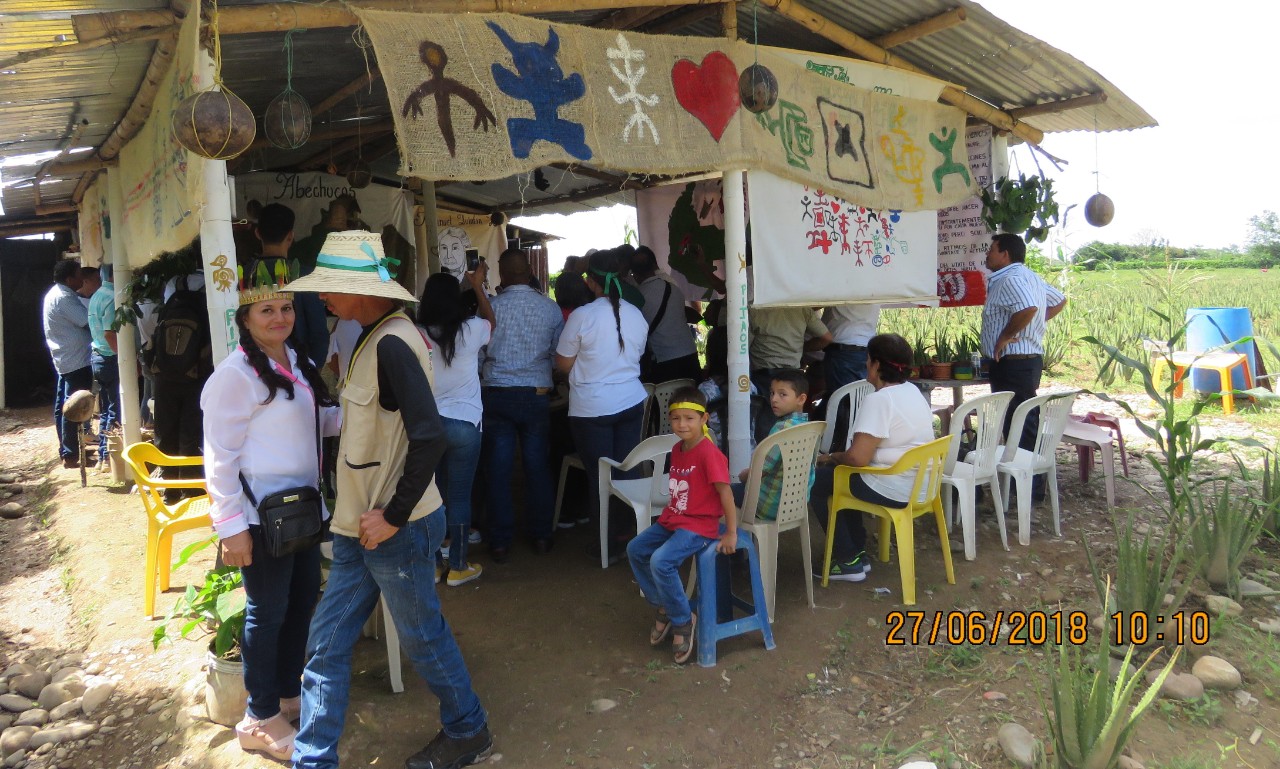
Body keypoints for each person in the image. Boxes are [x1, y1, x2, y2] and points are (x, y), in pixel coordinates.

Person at [285, 230, 491, 769]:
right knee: (326, 646)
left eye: (330, 286)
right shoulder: (372, 335)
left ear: (362, 289)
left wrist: (394, 516)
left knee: (422, 637)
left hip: (394, 526)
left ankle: (468, 729)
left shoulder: (393, 342)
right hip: (361, 525)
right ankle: (314, 757)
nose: (322, 296)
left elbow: (430, 436)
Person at [200, 271, 341, 762]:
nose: (280, 318)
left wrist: (359, 406)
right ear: (245, 319)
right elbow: (218, 458)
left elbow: (318, 421)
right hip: (260, 518)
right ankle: (258, 715)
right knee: (267, 609)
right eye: (267, 310)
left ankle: (286, 693)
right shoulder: (233, 377)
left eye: (286, 309)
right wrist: (231, 527)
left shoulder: (297, 361)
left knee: (303, 598)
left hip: (300, 511)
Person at [810, 333, 934, 581]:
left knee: (815, 481)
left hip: (897, 487)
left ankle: (847, 560)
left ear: (877, 365)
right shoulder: (912, 391)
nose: (865, 364)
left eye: (868, 360)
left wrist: (831, 456)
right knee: (841, 478)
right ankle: (857, 554)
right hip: (922, 485)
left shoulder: (879, 400)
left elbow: (858, 458)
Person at [626, 387, 736, 665]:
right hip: (674, 518)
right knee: (636, 549)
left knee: (661, 561)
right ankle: (665, 604)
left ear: (704, 419)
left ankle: (683, 620)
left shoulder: (709, 454)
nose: (682, 424)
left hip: (700, 525)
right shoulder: (677, 448)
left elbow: (726, 493)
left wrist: (731, 532)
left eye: (689, 418)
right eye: (676, 418)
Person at [555, 247, 649, 563]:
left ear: (591, 281)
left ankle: (606, 543)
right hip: (631, 402)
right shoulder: (635, 314)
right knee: (626, 471)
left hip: (592, 409)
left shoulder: (583, 316)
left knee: (600, 477)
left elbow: (564, 365)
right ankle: (628, 537)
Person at [480, 248, 564, 562]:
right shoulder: (550, 309)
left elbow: (477, 354)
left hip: (497, 394)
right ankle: (541, 536)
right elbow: (558, 355)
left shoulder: (489, 308)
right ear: (529, 272)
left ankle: (500, 542)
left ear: (501, 275)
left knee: (498, 469)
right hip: (537, 394)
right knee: (537, 466)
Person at [418, 265, 495, 586]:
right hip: (465, 423)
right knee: (460, 497)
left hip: (428, 427)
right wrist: (477, 287)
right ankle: (459, 566)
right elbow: (492, 322)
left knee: (432, 497)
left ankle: (435, 565)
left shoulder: (416, 331)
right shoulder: (472, 328)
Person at [981, 234, 1067, 480]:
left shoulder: (1010, 278)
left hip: (1014, 362)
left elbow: (1028, 309)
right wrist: (1032, 323)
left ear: (1005, 254)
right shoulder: (1029, 276)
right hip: (1026, 360)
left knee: (1020, 423)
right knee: (1021, 420)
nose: (988, 254)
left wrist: (1005, 335)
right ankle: (1024, 480)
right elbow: (1059, 301)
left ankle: (1028, 482)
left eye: (992, 249)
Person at [733, 369, 815, 521]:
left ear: (801, 398)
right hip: (796, 504)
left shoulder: (783, 429)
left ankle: (740, 541)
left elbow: (760, 471)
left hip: (767, 505)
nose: (774, 399)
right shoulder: (809, 427)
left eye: (782, 394)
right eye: (772, 393)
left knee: (723, 494)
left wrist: (743, 476)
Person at [748, 306, 831, 441]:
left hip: (764, 378)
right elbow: (826, 338)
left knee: (766, 431)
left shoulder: (757, 309)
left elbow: (742, 346)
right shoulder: (801, 308)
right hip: (793, 377)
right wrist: (801, 348)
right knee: (795, 425)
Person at [42, 259, 93, 468]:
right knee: (75, 406)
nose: (83, 278)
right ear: (69, 278)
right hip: (75, 359)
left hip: (67, 357)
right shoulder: (64, 297)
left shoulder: (57, 293)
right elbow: (87, 320)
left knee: (63, 405)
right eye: (79, 274)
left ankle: (67, 450)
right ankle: (71, 454)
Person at [630, 245, 700, 383]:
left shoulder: (638, 297)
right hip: (690, 354)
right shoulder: (673, 288)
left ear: (634, 274)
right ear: (655, 266)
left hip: (665, 360)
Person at [87, 265, 120, 465]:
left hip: (97, 356)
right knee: (115, 409)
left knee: (108, 408)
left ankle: (102, 455)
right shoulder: (112, 296)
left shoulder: (97, 294)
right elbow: (109, 333)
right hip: (109, 358)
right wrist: (124, 358)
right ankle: (108, 457)